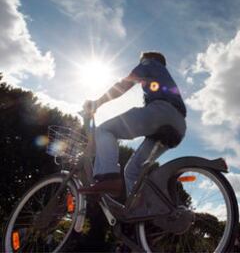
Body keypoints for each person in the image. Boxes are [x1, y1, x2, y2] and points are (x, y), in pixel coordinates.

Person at [79, 52, 186, 197]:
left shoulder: (149, 63)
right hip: (179, 125)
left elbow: (124, 84)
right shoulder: (164, 76)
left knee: (104, 130)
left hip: (162, 112)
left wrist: (96, 103)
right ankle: (141, 211)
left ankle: (108, 177)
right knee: (132, 171)